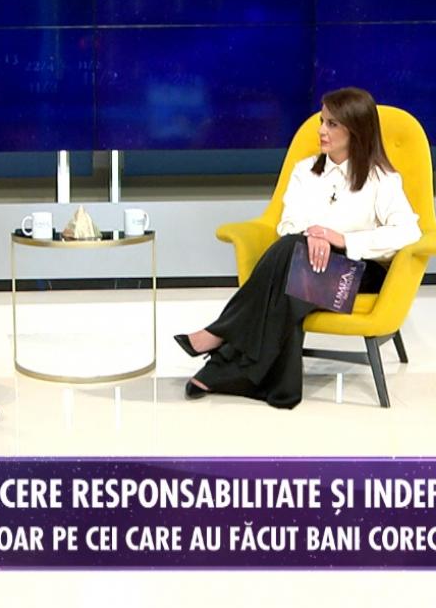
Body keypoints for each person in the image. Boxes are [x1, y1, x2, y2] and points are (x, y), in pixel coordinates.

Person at [174, 87, 421, 409]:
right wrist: (313, 236)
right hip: (305, 261)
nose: (321, 130)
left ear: (356, 130)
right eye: (322, 121)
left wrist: (343, 240)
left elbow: (409, 231)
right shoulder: (305, 171)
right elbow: (288, 222)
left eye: (332, 124)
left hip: (356, 271)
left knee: (291, 260)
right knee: (291, 275)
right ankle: (240, 374)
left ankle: (220, 337)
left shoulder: (381, 179)